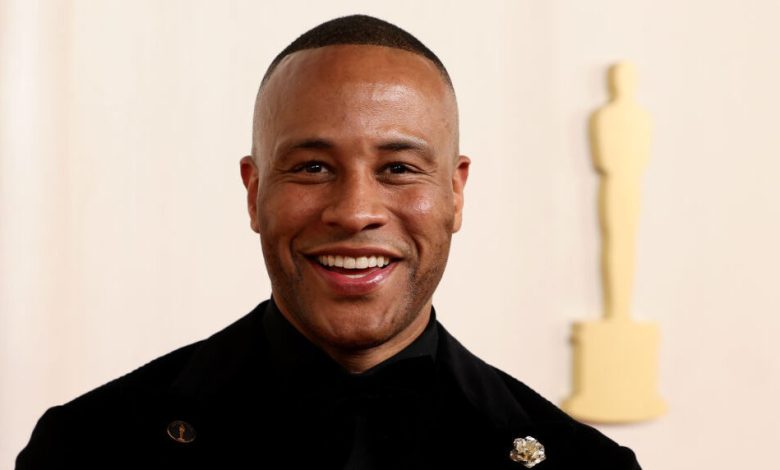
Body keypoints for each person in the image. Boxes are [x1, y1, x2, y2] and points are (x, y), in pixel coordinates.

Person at [17, 15, 641, 469]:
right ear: (254, 191)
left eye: (398, 168)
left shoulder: (585, 467)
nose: (355, 212)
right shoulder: (88, 447)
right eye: (312, 167)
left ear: (455, 194)